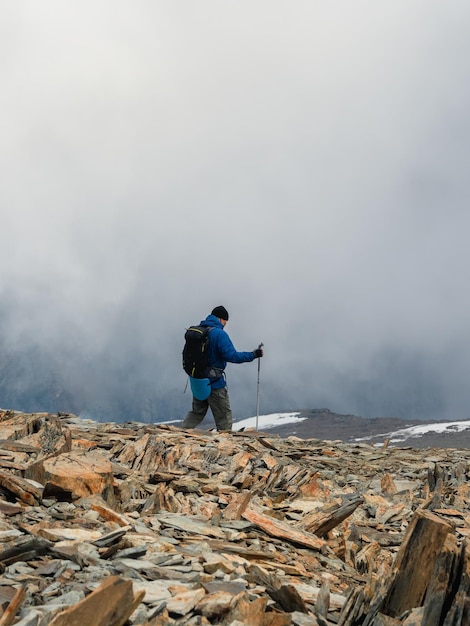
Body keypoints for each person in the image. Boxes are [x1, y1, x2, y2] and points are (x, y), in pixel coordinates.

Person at [182, 305, 263, 431]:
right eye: (225, 321)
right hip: (214, 382)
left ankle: (180, 433)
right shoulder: (219, 334)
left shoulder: (199, 331)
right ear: (221, 319)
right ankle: (224, 441)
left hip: (197, 379)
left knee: (197, 412)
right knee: (223, 415)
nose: (225, 324)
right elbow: (232, 356)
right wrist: (253, 355)